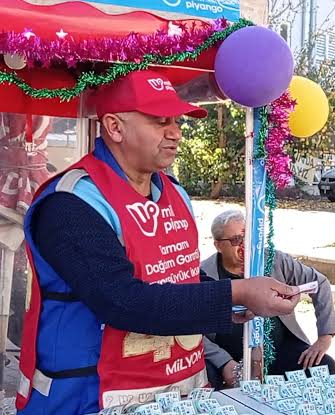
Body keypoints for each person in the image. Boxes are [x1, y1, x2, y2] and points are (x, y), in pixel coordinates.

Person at [15, 70, 300, 414]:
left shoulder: (174, 192)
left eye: (177, 121)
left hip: (176, 393)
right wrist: (235, 293)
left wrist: (237, 303)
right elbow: (121, 300)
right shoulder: (71, 203)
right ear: (114, 127)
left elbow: (179, 279)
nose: (176, 133)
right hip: (88, 396)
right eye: (159, 121)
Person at [200, 210, 335, 388]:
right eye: (236, 240)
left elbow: (320, 282)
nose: (244, 245)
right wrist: (223, 362)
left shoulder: (273, 259)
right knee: (207, 376)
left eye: (248, 237)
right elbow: (192, 331)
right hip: (228, 354)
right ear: (218, 245)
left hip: (278, 348)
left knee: (323, 366)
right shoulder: (204, 273)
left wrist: (325, 336)